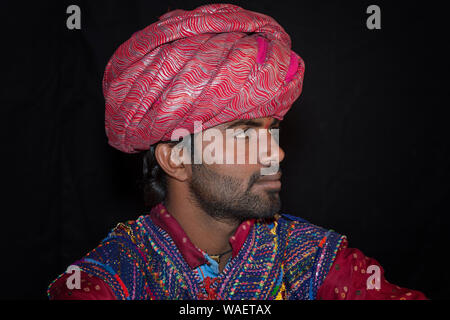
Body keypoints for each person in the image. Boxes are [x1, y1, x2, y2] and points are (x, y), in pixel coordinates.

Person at [47, 3, 427, 300]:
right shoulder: (111, 276)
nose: (275, 155)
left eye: (272, 132)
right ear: (175, 157)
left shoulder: (312, 259)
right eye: (244, 134)